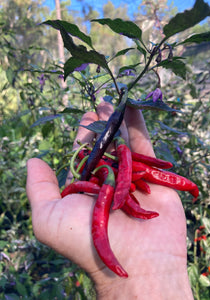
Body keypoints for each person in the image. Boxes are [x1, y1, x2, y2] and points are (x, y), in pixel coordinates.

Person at [26, 101, 194, 299]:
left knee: (116, 172)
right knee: (114, 173)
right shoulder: (106, 174)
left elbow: (128, 184)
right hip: (104, 175)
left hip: (105, 173)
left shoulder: (109, 171)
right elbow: (124, 185)